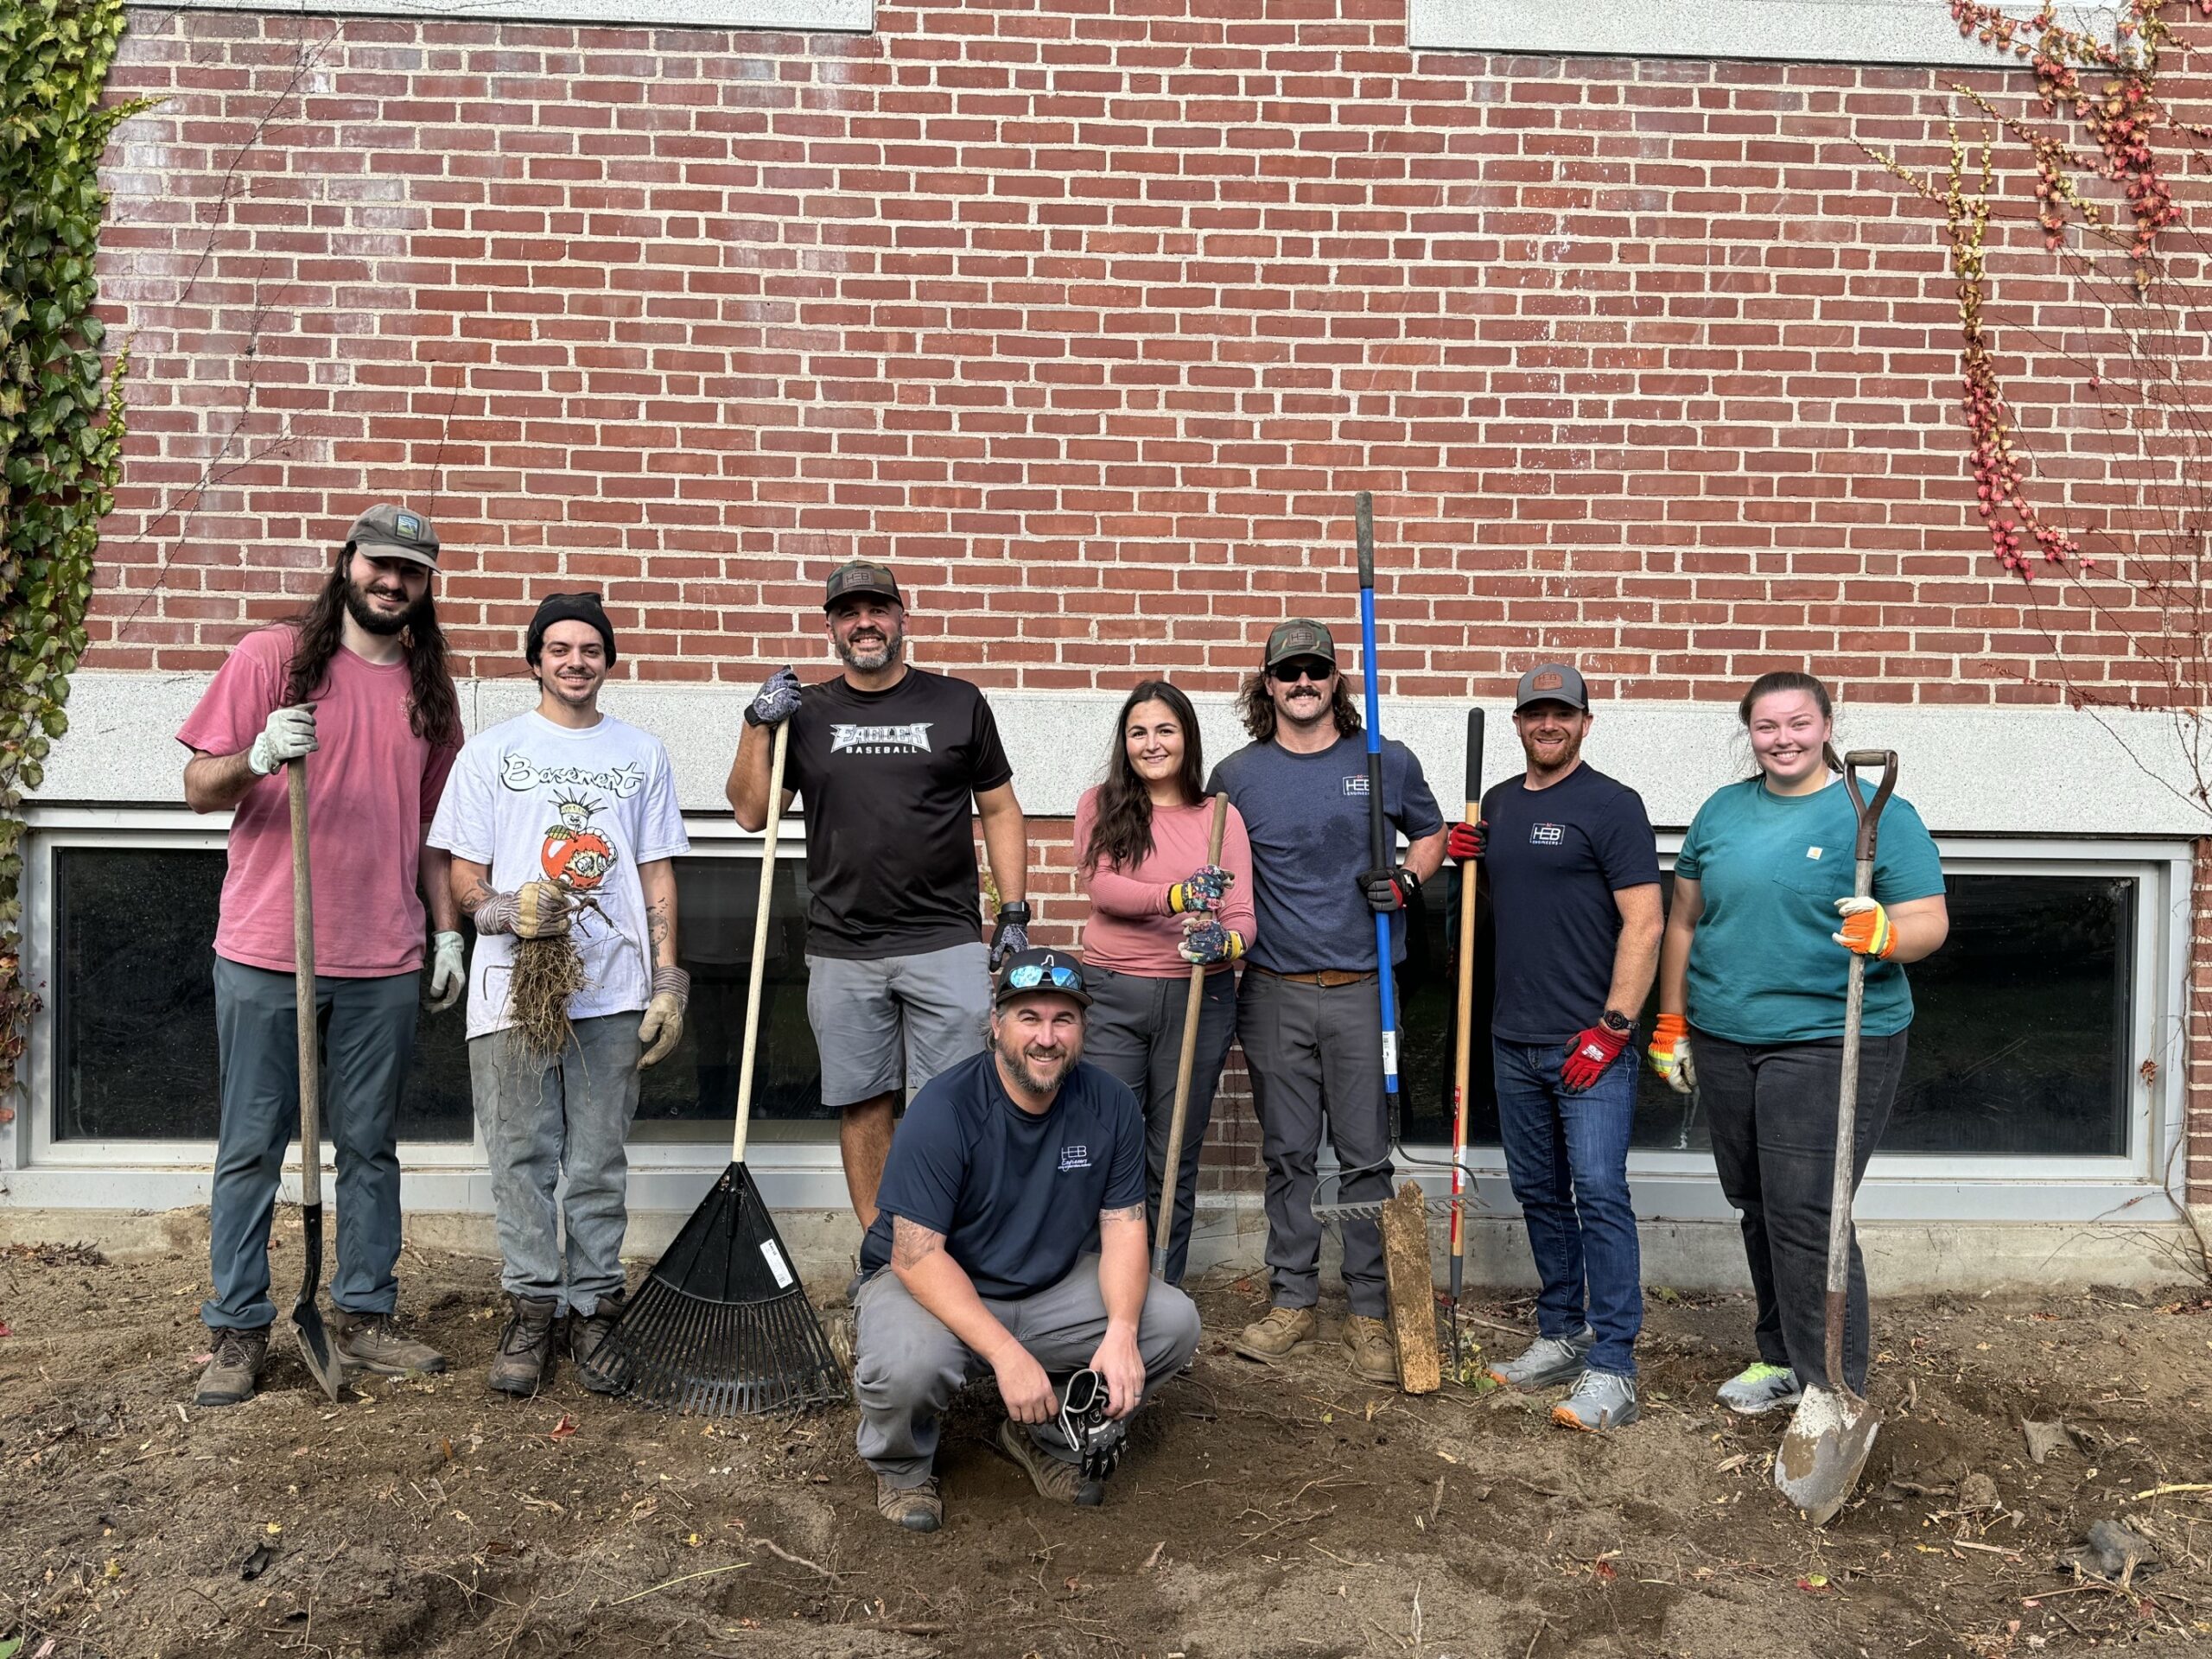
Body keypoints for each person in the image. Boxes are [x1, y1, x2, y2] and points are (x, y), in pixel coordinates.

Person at [179, 504, 465, 1407]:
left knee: (371, 1146)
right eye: (380, 564)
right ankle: (236, 1328)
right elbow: (196, 787)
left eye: (410, 572)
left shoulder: (432, 691)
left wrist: (445, 926)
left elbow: (434, 830)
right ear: (347, 565)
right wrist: (258, 753)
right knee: (252, 1144)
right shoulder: (270, 658)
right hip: (270, 947)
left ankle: (367, 1311)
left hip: (381, 951)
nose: (392, 582)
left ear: (424, 586)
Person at [1649, 671, 1948, 1417]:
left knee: (1809, 1210)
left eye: (1799, 724)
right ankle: (1782, 1357)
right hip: (1726, 1034)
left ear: (1826, 727)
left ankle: (1832, 1384)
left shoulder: (1876, 815)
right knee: (1755, 1200)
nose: (1783, 739)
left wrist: (1887, 934)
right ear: (1748, 733)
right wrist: (1672, 1020)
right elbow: (1684, 920)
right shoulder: (1722, 810)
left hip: (1827, 1037)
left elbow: (1929, 923)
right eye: (1767, 727)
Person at [429, 593, 691, 1395]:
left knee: (597, 1159)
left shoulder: (641, 754)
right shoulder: (490, 754)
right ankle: (533, 1308)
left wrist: (668, 980)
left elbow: (656, 870)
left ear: (607, 661)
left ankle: (596, 1309)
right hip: (513, 989)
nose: (576, 661)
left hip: (611, 990)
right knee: (519, 1155)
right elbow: (461, 873)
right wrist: (506, 910)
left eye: (591, 649)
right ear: (535, 658)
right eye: (560, 648)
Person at [849, 948, 1202, 1533]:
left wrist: (1119, 1332)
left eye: (1063, 1019)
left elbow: (1123, 1229)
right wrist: (1007, 1355)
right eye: (1029, 1018)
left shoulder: (1110, 1104)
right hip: (931, 1286)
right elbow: (915, 1257)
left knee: (1169, 1323)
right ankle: (904, 1467)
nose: (1047, 1037)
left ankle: (1045, 1434)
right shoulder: (945, 1107)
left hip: (1046, 1289)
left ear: (1083, 1029)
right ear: (996, 1026)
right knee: (910, 1363)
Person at [728, 560, 1030, 1230]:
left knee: (952, 1101)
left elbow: (1001, 810)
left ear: (902, 618)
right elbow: (752, 815)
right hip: (843, 944)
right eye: (848, 613)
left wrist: (1013, 912)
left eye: (878, 609)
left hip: (944, 939)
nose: (865, 623)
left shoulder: (958, 703)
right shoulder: (804, 714)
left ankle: (945, 1244)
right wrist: (755, 722)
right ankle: (881, 1250)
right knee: (863, 1104)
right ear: (832, 628)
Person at [1207, 619, 1445, 1384]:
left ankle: (1371, 1312)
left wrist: (1407, 880)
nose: (1302, 683)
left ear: (1338, 680)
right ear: (1267, 685)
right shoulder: (1237, 776)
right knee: (1286, 1154)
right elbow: (1206, 860)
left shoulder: (1383, 761)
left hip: (1362, 991)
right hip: (1273, 990)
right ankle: (1293, 1299)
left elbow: (1433, 835)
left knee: (1366, 1156)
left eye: (1317, 670)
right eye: (1288, 672)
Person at [1446, 664, 1662, 1432]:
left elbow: (1646, 922)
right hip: (1514, 1041)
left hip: (1588, 1045)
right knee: (1540, 1193)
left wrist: (1614, 1028)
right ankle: (1563, 1332)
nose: (1548, 725)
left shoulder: (1612, 805)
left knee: (1600, 1193)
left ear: (1584, 722)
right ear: (1518, 723)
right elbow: (1497, 901)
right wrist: (1459, 851)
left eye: (1561, 714)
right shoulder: (1497, 804)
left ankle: (1616, 1368)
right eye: (1535, 713)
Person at [1074, 679, 1257, 1285]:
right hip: (1112, 993)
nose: (1152, 743)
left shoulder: (1219, 818)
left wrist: (1225, 945)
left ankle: (1159, 1294)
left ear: (1187, 738)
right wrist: (1177, 895)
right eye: (1138, 732)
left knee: (1173, 1153)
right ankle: (1098, 1291)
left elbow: (1242, 917)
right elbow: (1104, 888)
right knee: (1106, 1145)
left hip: (1196, 1000)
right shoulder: (1101, 804)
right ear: (1125, 743)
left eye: (1165, 730)